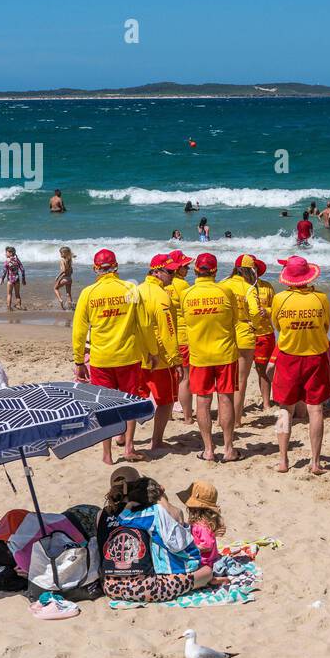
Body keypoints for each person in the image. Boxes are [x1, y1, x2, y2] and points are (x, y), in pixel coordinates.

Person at [71, 248, 159, 464]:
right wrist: (152, 351)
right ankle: (129, 447)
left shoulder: (88, 293)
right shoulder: (130, 288)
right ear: (116, 266)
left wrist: (78, 360)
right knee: (129, 403)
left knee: (105, 407)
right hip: (129, 357)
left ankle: (107, 454)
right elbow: (145, 324)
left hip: (101, 359)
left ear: (95, 269)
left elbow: (79, 330)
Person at [96, 474, 213, 603]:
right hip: (147, 586)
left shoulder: (101, 514)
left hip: (109, 586)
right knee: (207, 572)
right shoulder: (148, 511)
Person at [271, 255, 330, 475]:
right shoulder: (321, 298)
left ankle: (283, 460)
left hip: (289, 356)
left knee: (283, 409)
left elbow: (277, 325)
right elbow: (325, 327)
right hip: (315, 355)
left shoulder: (279, 299)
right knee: (315, 409)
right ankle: (315, 462)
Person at [181, 253, 242, 463]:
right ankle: (228, 448)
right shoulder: (225, 291)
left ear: (196, 270)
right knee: (225, 399)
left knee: (203, 402)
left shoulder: (187, 294)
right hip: (224, 353)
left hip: (199, 355)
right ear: (215, 271)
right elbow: (235, 319)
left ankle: (208, 449)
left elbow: (186, 321)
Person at [137, 254, 182, 452]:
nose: (174, 275)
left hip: (137, 356)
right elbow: (168, 331)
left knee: (133, 401)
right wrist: (176, 359)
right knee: (166, 402)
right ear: (156, 271)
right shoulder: (162, 296)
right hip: (161, 358)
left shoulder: (136, 290)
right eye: (170, 271)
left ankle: (124, 440)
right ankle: (157, 441)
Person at [220, 254, 266, 421]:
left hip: (225, 334)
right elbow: (254, 312)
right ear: (250, 270)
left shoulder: (222, 285)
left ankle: (222, 418)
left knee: (225, 382)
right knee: (240, 381)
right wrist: (255, 323)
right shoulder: (248, 288)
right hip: (244, 334)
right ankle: (236, 419)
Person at [239, 254, 277, 415]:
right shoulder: (237, 288)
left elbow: (276, 308)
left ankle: (266, 403)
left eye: (255, 268)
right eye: (250, 268)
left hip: (264, 333)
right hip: (243, 333)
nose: (253, 271)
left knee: (263, 370)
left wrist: (266, 311)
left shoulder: (267, 287)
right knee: (241, 373)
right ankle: (238, 406)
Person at [167, 250, 195, 424]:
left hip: (166, 337)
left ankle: (167, 413)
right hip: (182, 337)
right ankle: (187, 416)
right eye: (185, 266)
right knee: (185, 378)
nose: (189, 269)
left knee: (170, 378)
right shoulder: (182, 286)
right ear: (178, 268)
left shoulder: (164, 284)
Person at [0, 246, 27, 311]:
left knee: (9, 294)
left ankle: (9, 307)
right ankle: (19, 305)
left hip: (10, 280)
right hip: (17, 280)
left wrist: (2, 279)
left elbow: (4, 271)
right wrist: (23, 279)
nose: (5, 254)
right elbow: (22, 270)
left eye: (6, 252)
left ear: (11, 253)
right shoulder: (17, 260)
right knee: (17, 294)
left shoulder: (7, 261)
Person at [53, 246, 74, 311]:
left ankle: (60, 300)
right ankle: (71, 308)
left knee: (55, 288)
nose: (60, 254)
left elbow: (63, 270)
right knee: (68, 294)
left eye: (61, 253)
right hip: (70, 279)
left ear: (64, 253)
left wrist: (58, 276)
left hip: (65, 278)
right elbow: (71, 271)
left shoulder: (62, 260)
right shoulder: (69, 260)